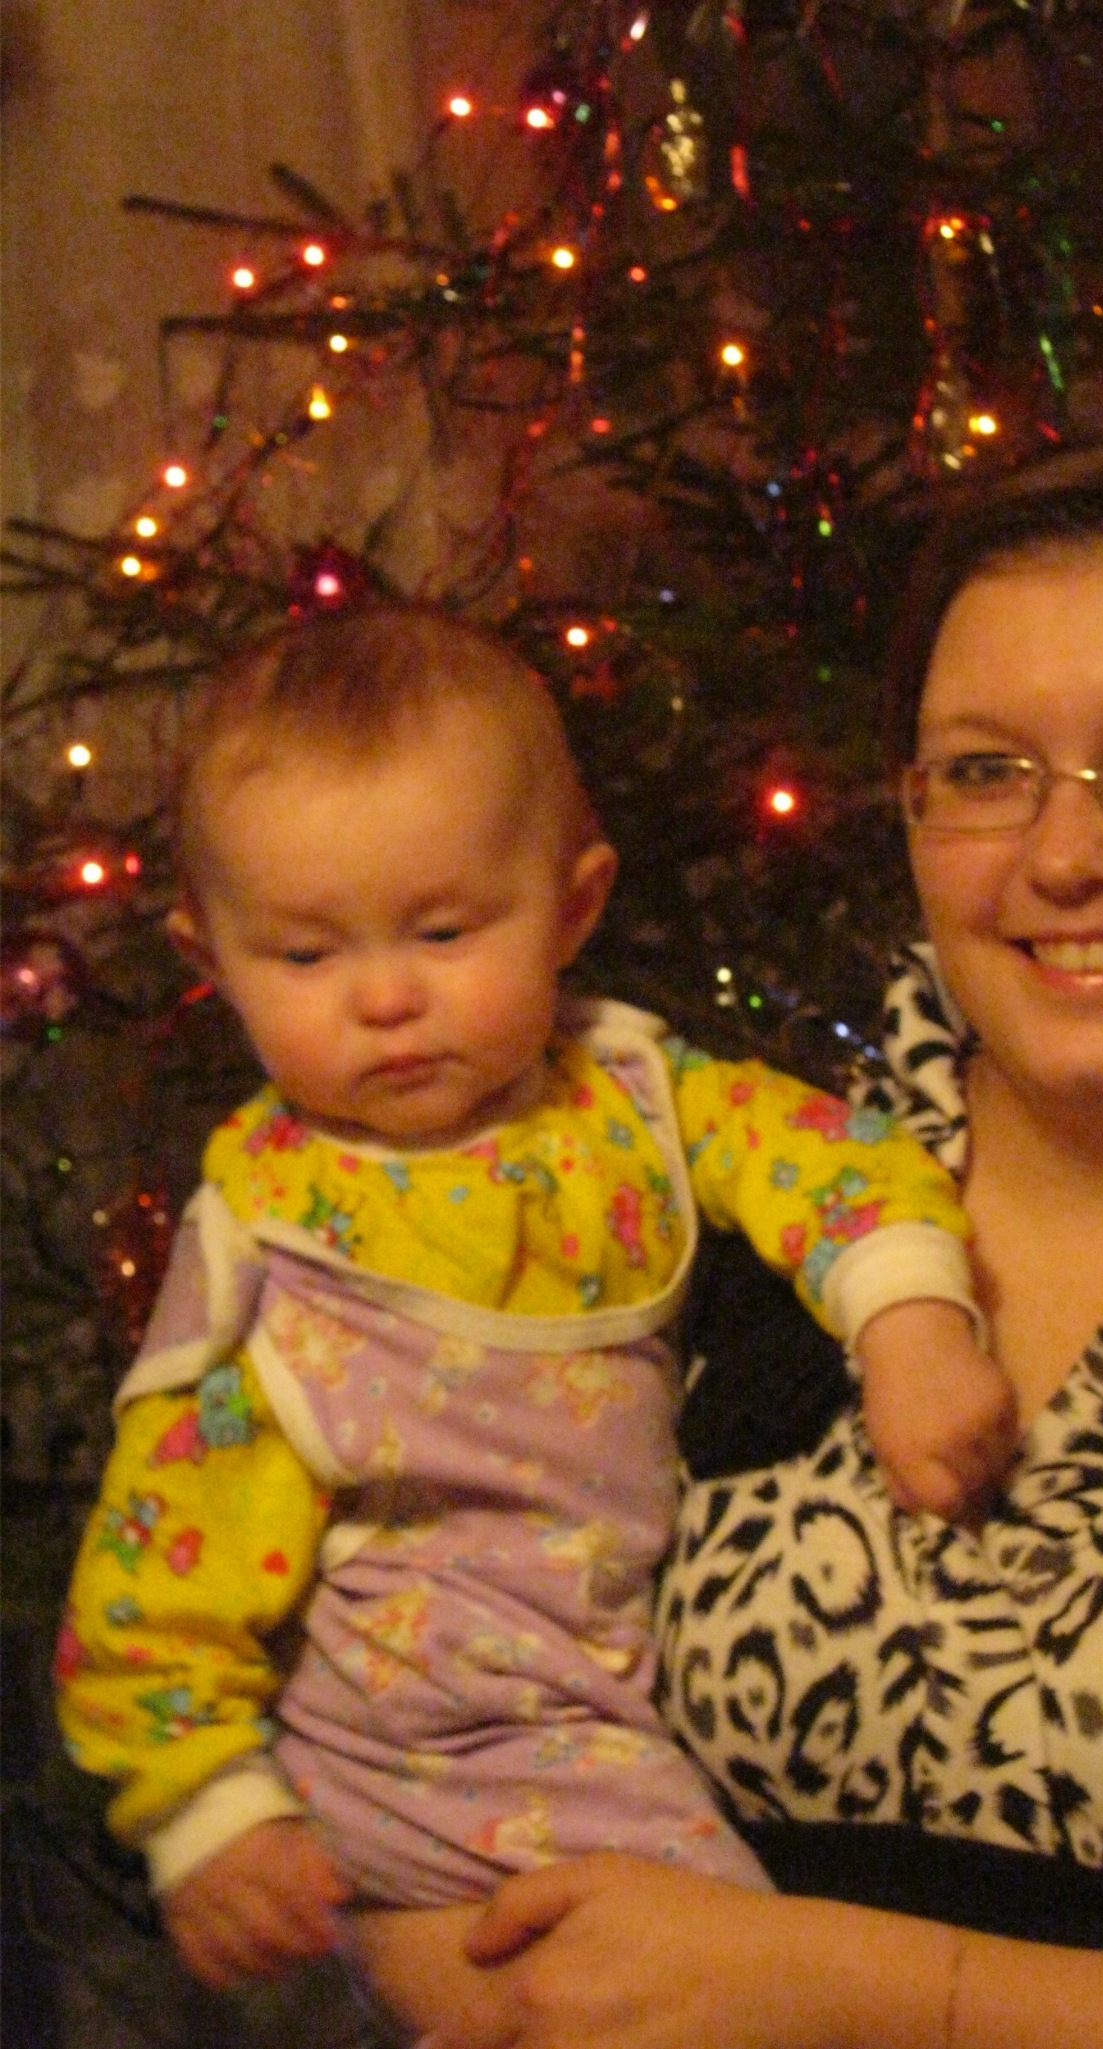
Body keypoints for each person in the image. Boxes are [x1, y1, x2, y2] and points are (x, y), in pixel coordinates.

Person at [416, 446, 1103, 2049]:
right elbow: (411, 1761)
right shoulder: (702, 1215)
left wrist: (833, 1986)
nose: (1065, 856)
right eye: (988, 770)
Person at [54, 605, 1018, 2043]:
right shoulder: (267, 1240)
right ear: (211, 953)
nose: (387, 997)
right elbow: (155, 1560)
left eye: (446, 931)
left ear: (573, 906)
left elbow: (822, 1156)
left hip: (603, 1704)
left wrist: (912, 1327)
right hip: (415, 1753)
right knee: (771, 1995)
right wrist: (202, 1808)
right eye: (304, 956)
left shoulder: (629, 1093)